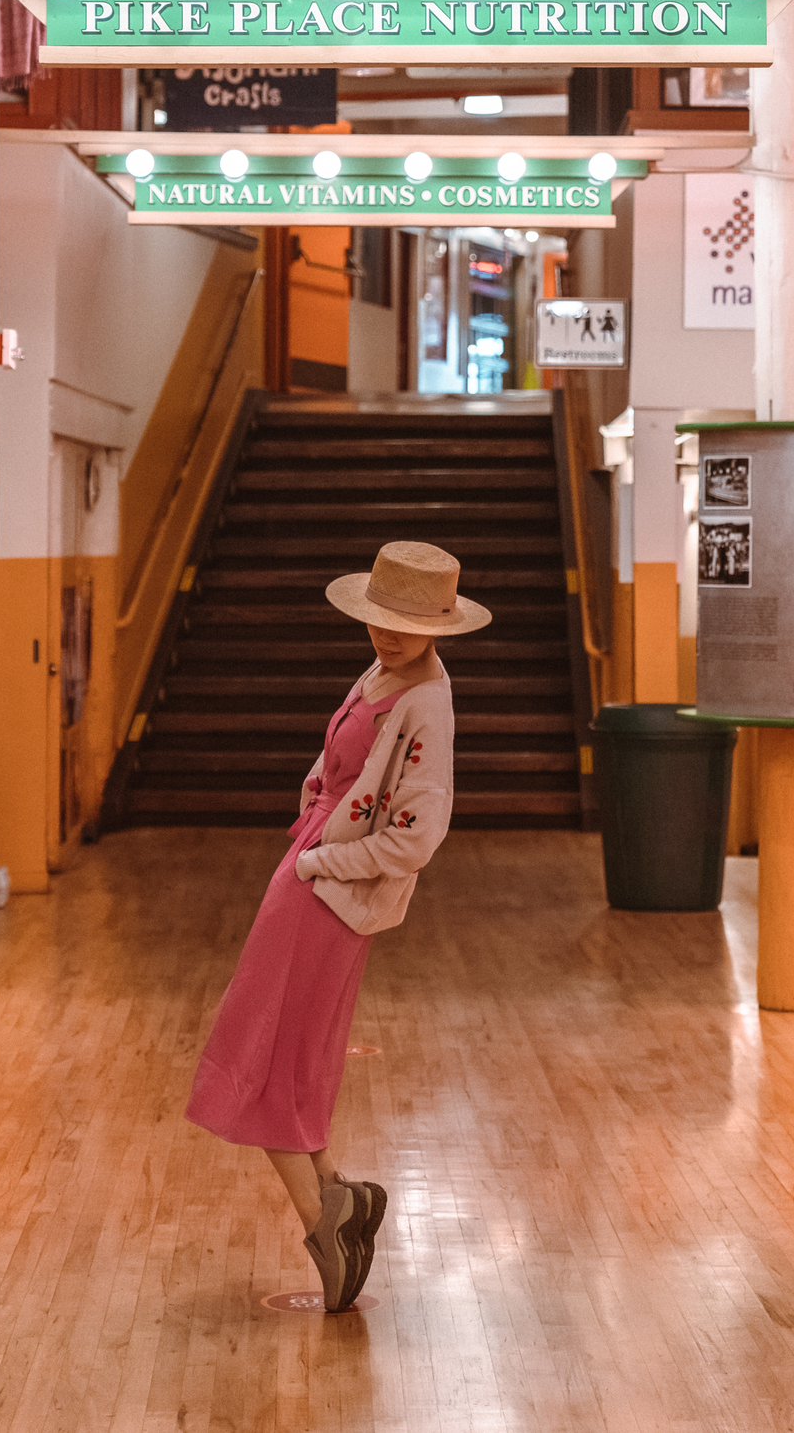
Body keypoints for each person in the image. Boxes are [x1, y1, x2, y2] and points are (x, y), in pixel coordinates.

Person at [185, 540, 491, 1312]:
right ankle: (335, 1203)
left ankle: (328, 1223)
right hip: (308, 875)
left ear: (440, 625)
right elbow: (341, 767)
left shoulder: (428, 700)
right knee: (278, 1051)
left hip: (326, 891)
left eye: (406, 622)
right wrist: (312, 823)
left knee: (262, 1056)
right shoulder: (385, 671)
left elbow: (417, 836)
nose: (386, 633)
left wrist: (325, 865)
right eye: (378, 618)